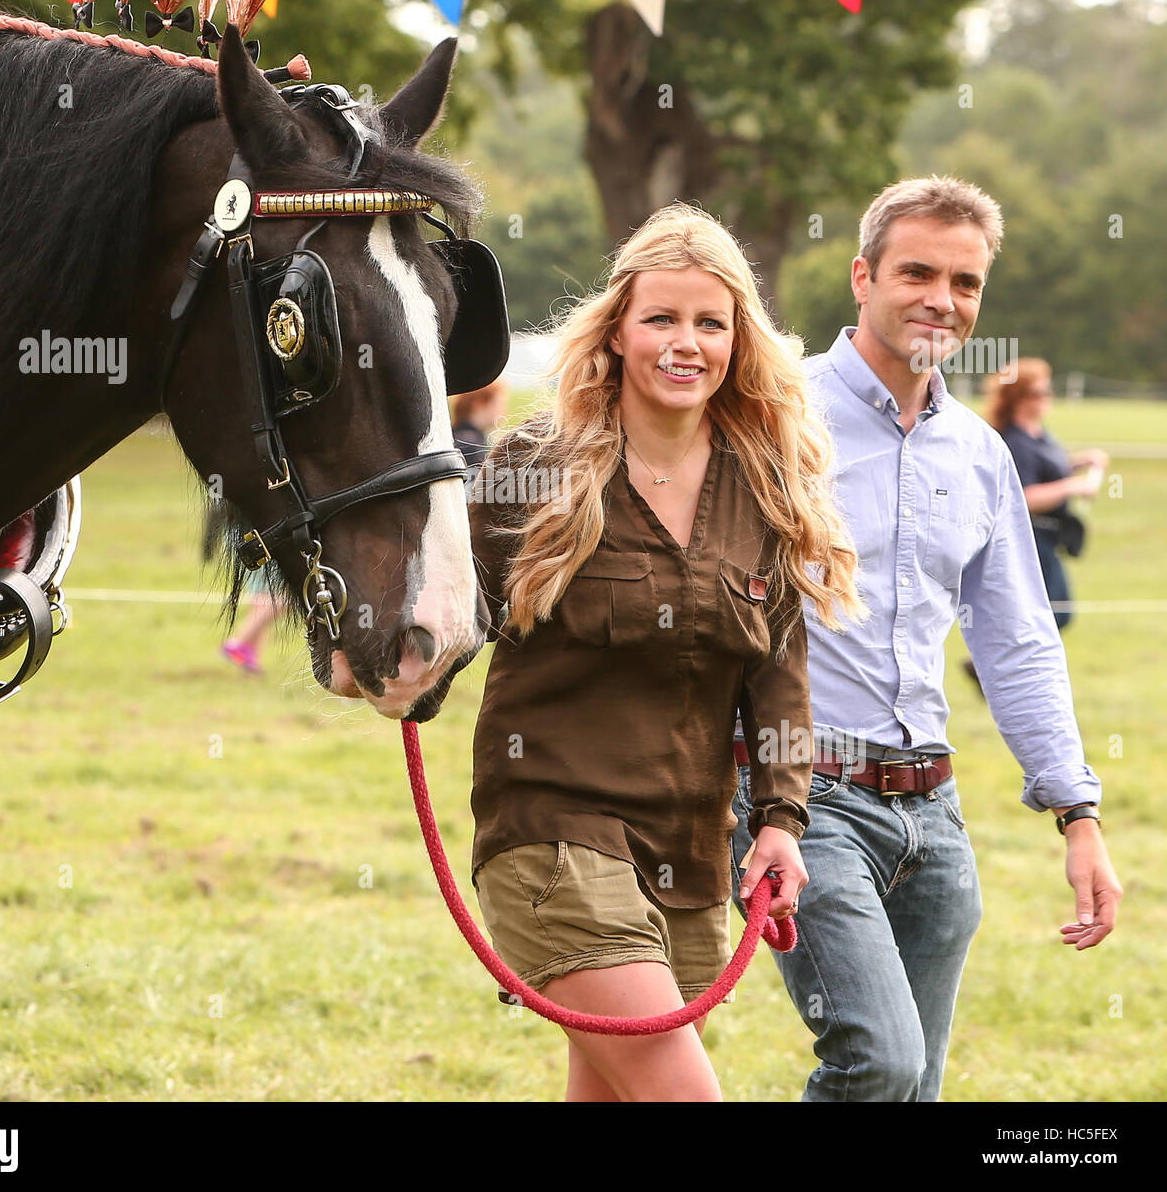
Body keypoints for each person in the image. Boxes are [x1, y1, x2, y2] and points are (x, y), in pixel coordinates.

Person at [732, 176, 1123, 1103]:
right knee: (880, 1066)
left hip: (934, 813)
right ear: (862, 277)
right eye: (917, 272)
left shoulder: (981, 454)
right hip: (804, 794)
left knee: (918, 1090)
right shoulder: (775, 420)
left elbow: (1018, 640)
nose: (942, 300)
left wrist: (1079, 814)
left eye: (966, 282)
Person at [467, 203, 862, 1102]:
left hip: (688, 853)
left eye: (709, 323)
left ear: (738, 339)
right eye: (661, 319)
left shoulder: (764, 484)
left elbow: (779, 681)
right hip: (553, 833)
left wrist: (781, 821)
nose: (686, 344)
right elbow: (449, 610)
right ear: (617, 332)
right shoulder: (540, 464)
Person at [985, 358, 1107, 631]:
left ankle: (994, 665)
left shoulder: (1038, 435)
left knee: (1044, 615)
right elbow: (1025, 497)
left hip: (1051, 537)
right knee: (1052, 614)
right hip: (1031, 537)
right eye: (1040, 392)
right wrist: (1073, 486)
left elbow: (1047, 470)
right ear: (1019, 398)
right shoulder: (1015, 441)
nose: (1048, 397)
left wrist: (1081, 461)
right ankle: (992, 665)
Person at [451, 379, 508, 471]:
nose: (503, 410)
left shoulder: (455, 437)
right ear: (478, 403)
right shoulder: (470, 445)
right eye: (498, 403)